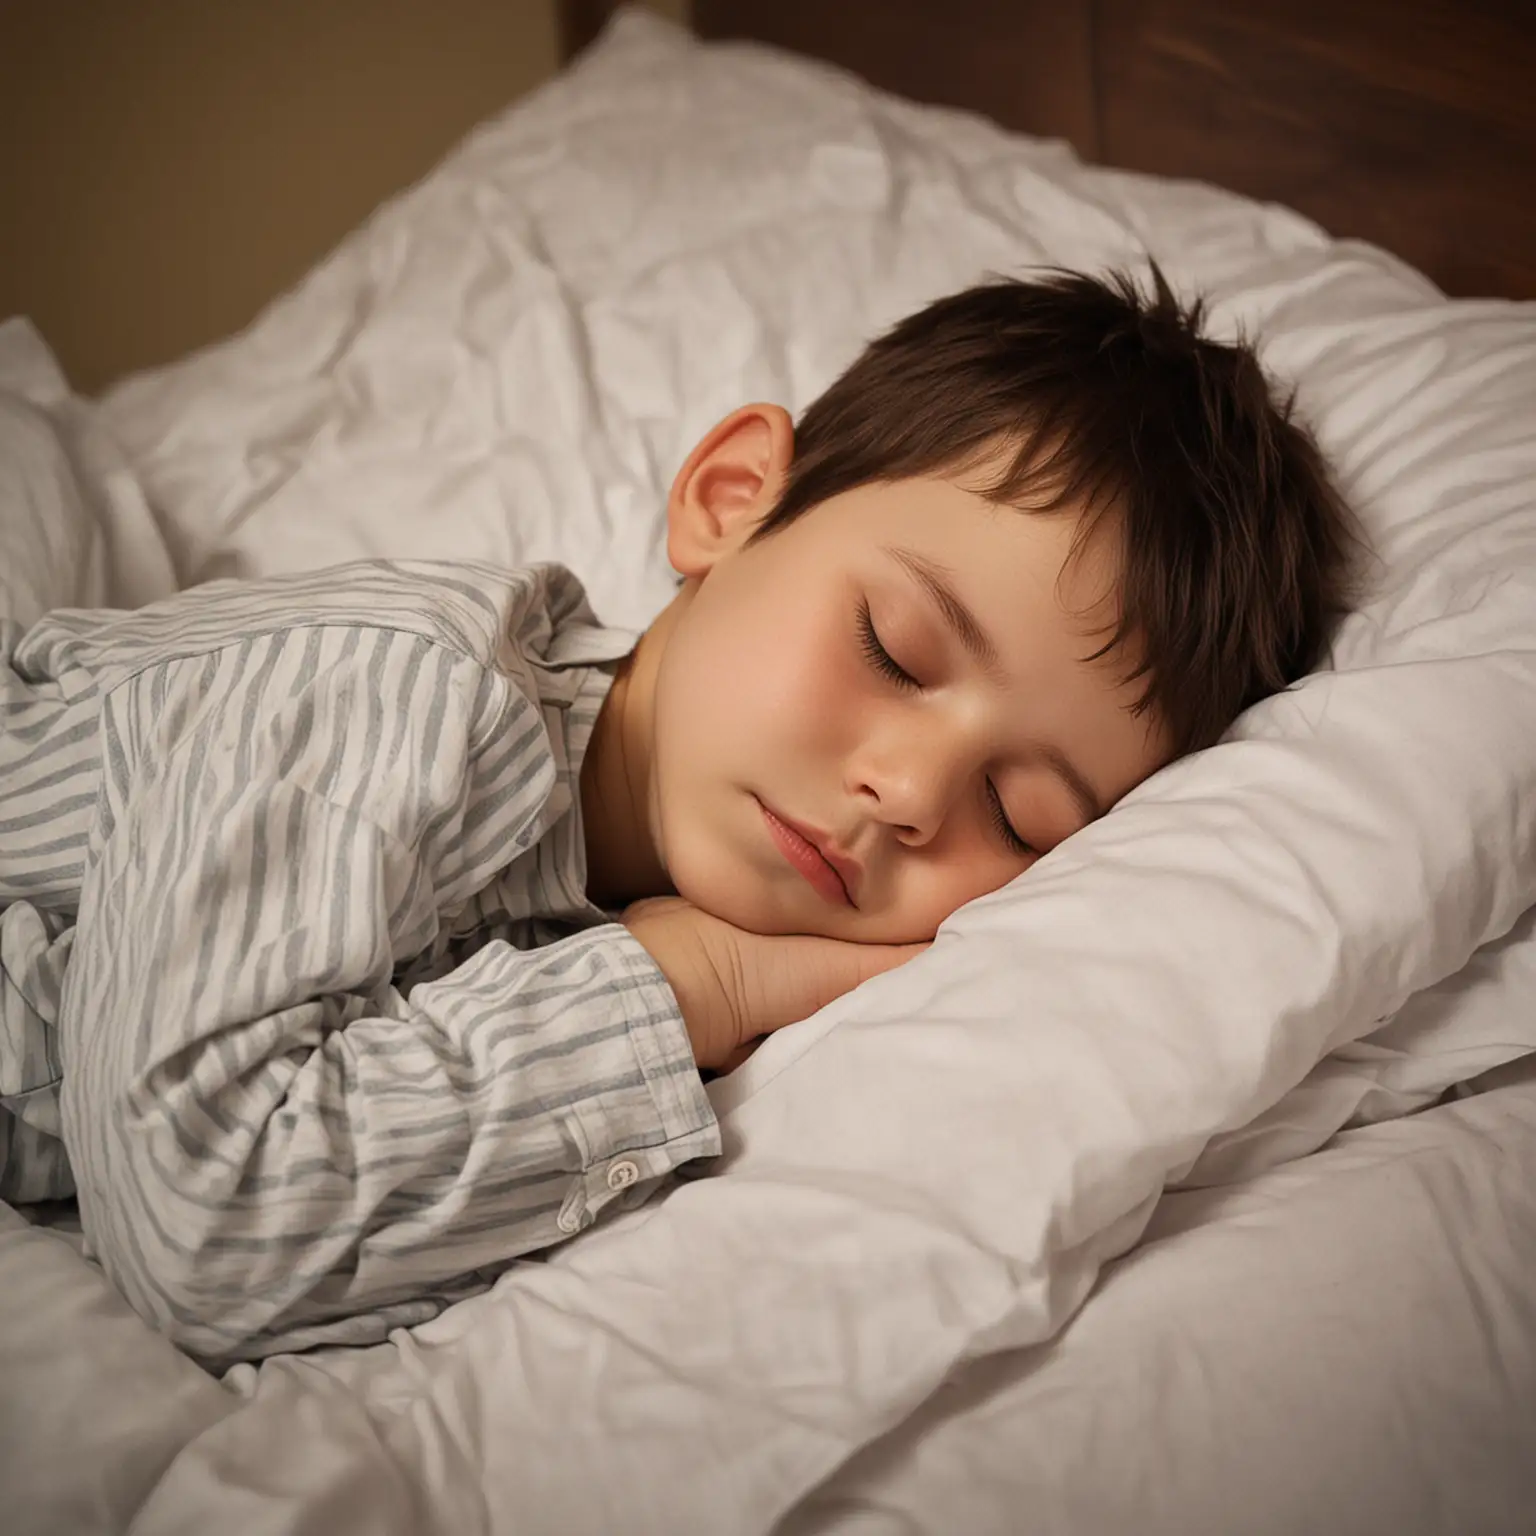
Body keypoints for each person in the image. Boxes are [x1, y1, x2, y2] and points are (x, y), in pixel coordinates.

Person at [0, 268, 1355, 1363]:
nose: (908, 794)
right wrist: (687, 981)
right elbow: (204, 1212)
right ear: (731, 501)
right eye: (891, 648)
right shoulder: (391, 693)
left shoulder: (634, 931)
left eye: (1018, 811)